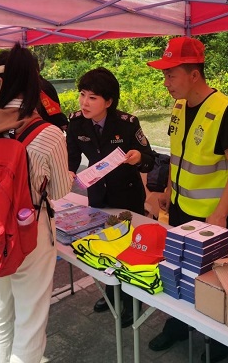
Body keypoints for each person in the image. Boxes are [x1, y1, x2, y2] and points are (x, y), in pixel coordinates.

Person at [0, 43, 73, 363]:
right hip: (31, 232)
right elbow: (59, 191)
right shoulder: (49, 133)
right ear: (35, 82)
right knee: (30, 319)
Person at [146, 36, 228, 362]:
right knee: (179, 268)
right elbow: (178, 154)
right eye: (164, 75)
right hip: (180, 208)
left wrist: (221, 213)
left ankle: (218, 338)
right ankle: (178, 324)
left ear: (194, 75)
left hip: (212, 215)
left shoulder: (226, 113)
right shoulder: (179, 106)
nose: (166, 82)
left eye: (171, 75)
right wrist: (168, 190)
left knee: (214, 278)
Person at [65, 67, 156, 327]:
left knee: (128, 249)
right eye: (82, 94)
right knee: (105, 246)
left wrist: (138, 159)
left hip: (127, 197)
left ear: (108, 101)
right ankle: (112, 293)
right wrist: (68, 170)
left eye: (92, 97)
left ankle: (132, 301)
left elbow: (149, 158)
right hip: (98, 196)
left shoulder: (127, 123)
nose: (84, 102)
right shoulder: (76, 123)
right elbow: (72, 156)